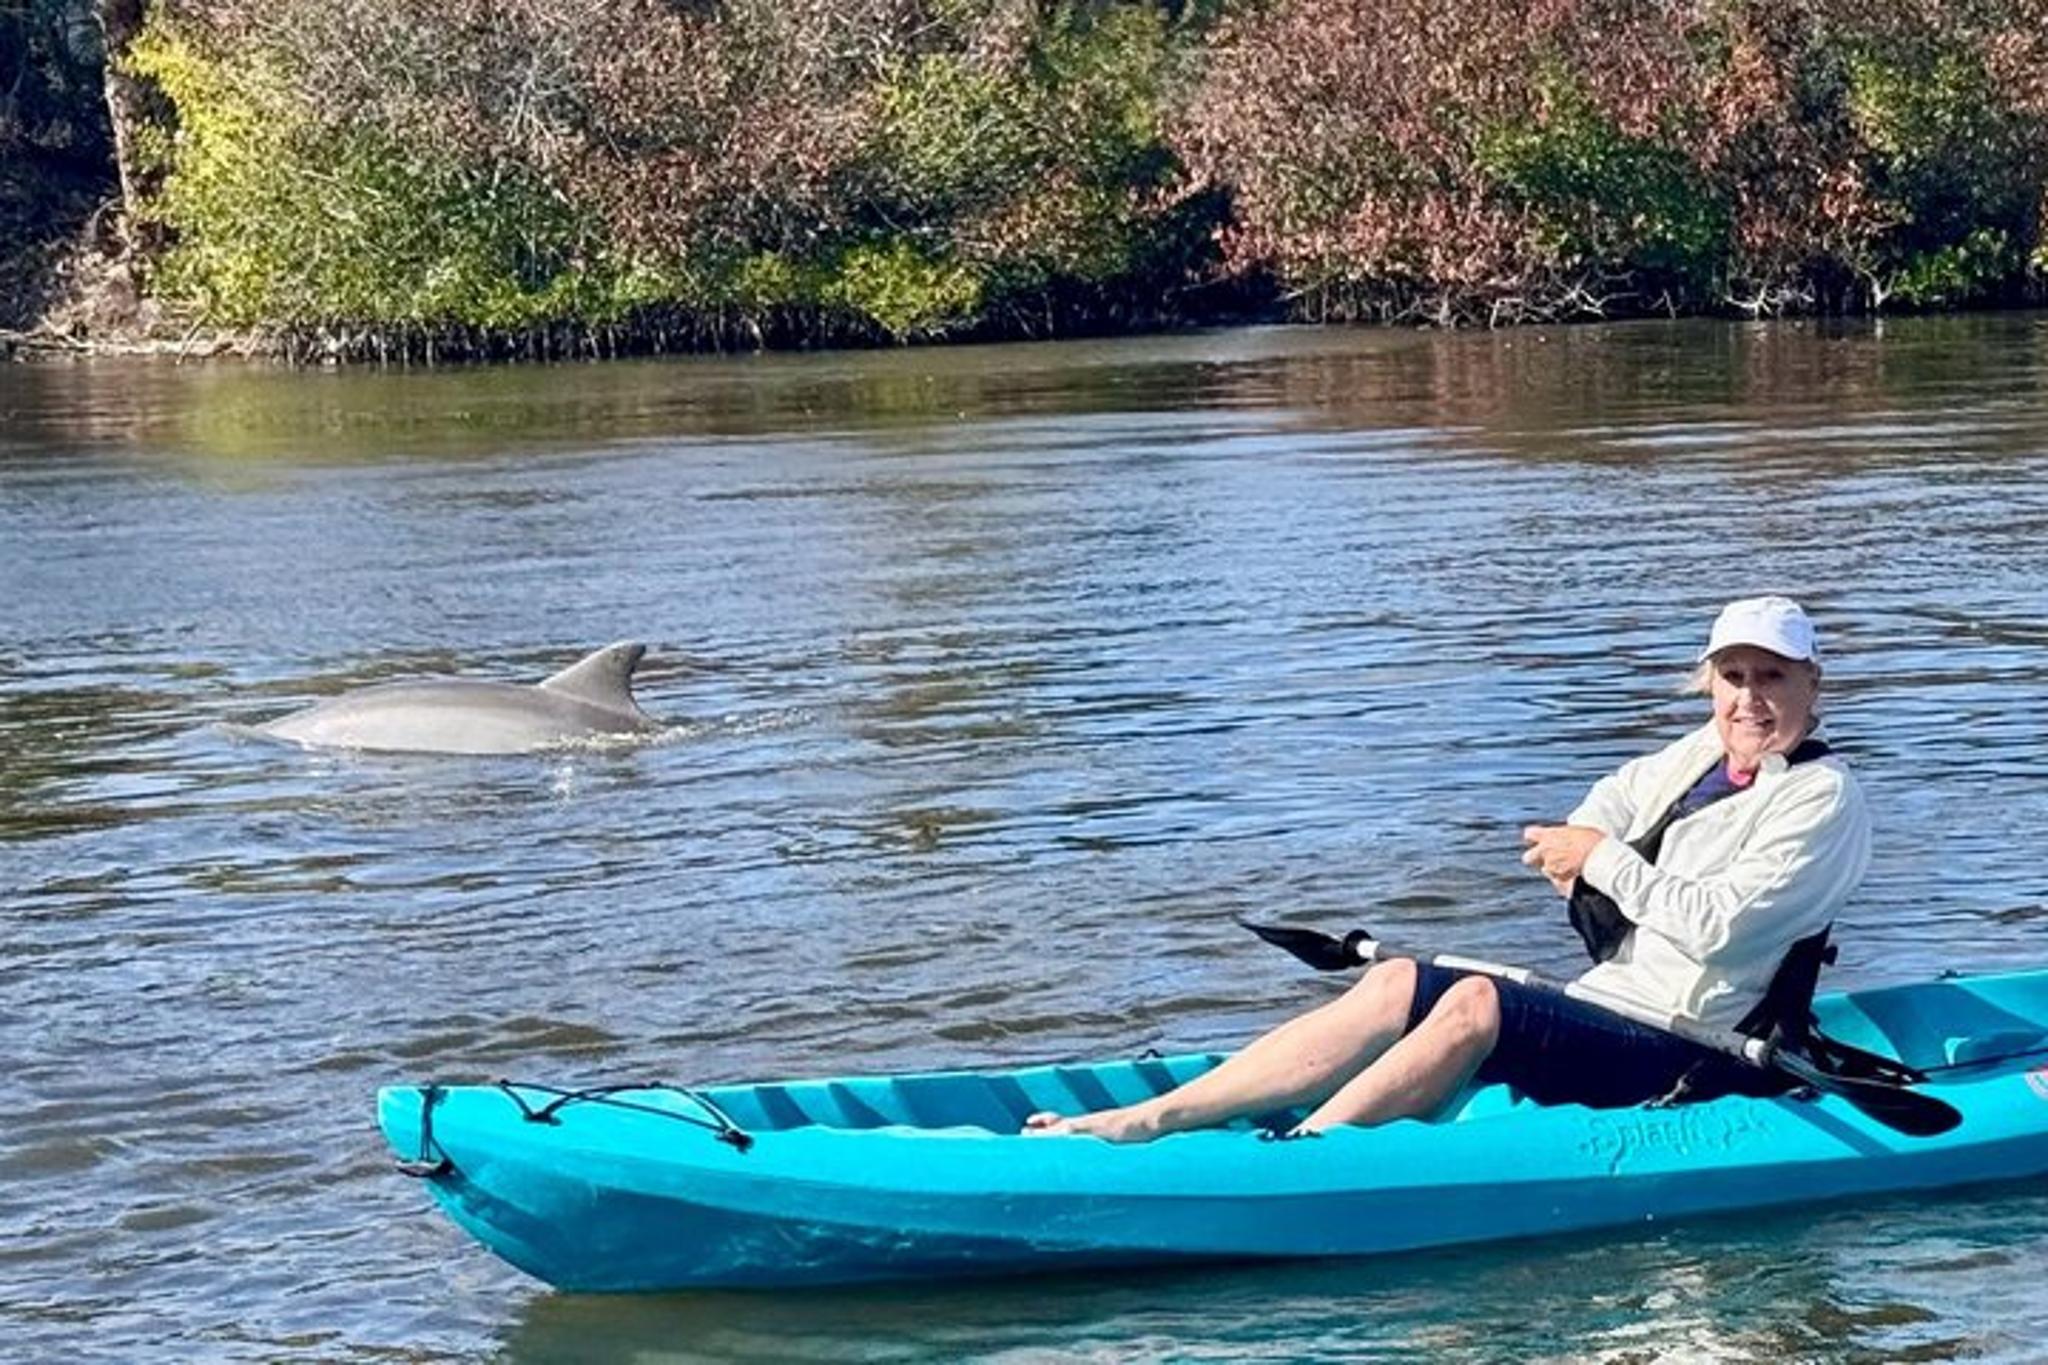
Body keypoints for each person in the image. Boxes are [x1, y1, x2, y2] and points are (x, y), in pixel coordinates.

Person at [1024, 595, 1872, 1141]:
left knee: (1474, 1001)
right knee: (1396, 980)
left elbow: (1722, 931)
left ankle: (1305, 1154)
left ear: (1812, 685)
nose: (1749, 698)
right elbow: (1603, 806)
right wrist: (1585, 845)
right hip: (1609, 1009)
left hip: (1698, 1047)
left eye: (1772, 678)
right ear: (1708, 683)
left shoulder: (1822, 799)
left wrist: (1605, 861)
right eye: (1733, 677)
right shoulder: (1700, 752)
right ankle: (1149, 1118)